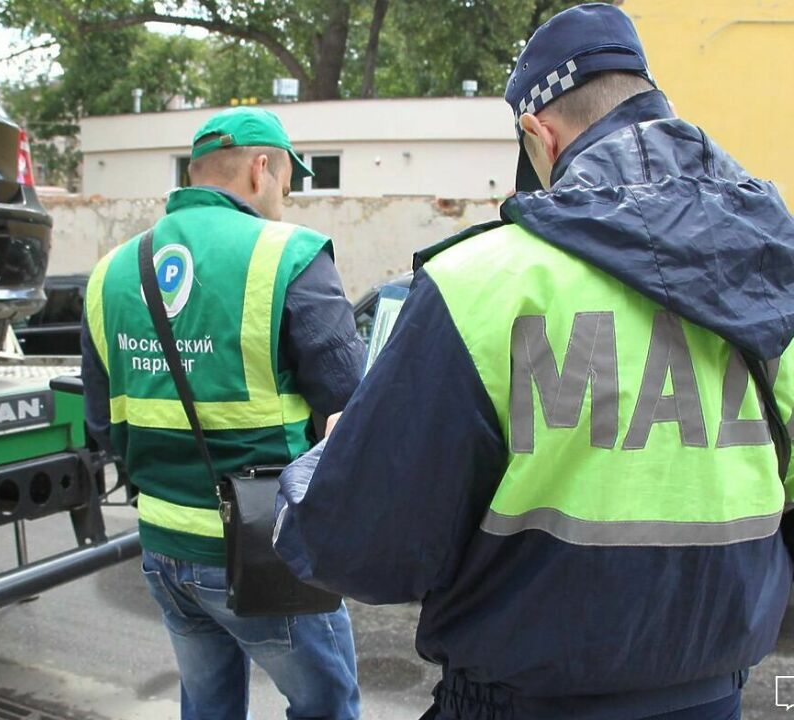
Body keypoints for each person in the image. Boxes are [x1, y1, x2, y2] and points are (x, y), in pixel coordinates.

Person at [273, 4, 794, 720]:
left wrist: (322, 466)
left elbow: (358, 544)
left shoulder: (483, 281)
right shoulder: (770, 272)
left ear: (538, 133)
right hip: (712, 698)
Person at [81, 106, 364, 720]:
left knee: (208, 707)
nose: (288, 193)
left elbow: (102, 426)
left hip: (161, 547)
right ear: (261, 169)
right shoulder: (290, 255)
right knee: (328, 706)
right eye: (289, 177)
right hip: (267, 545)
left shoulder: (109, 273)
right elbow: (354, 404)